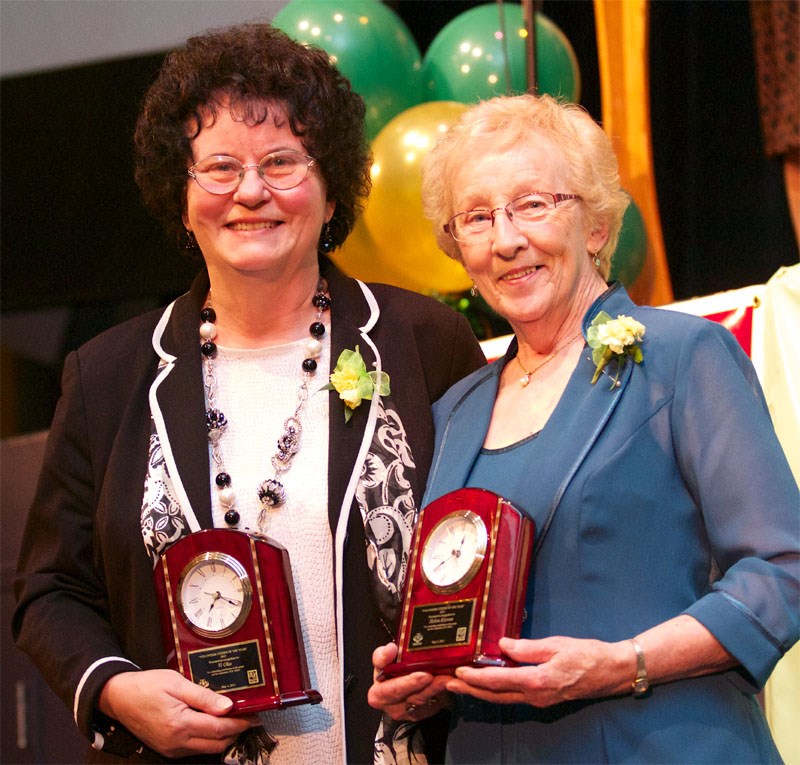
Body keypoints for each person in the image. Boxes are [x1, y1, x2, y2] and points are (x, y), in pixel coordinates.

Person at [13, 22, 485, 765]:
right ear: (181, 196)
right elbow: (49, 589)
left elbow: (484, 543)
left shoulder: (423, 342)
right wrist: (114, 688)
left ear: (332, 192)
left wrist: (451, 664)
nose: (253, 191)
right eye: (221, 167)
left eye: (282, 162)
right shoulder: (107, 376)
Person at [368, 93, 799, 763]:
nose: (506, 239)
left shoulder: (682, 358)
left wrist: (623, 662)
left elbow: (782, 570)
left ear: (596, 225)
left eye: (533, 205)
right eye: (477, 218)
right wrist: (427, 679)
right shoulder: (454, 410)